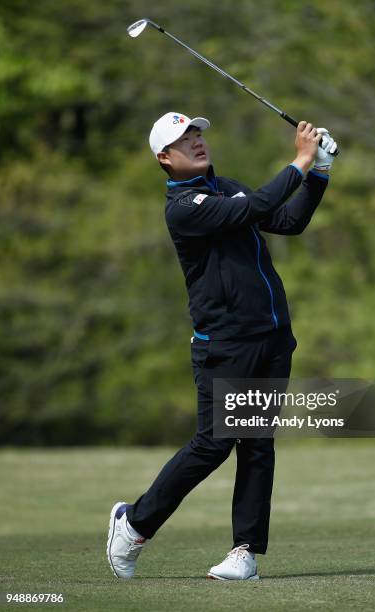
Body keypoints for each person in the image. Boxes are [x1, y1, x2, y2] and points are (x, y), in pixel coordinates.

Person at [106, 111, 337, 580]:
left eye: (196, 134)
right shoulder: (183, 207)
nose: (195, 142)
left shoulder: (226, 185)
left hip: (271, 339)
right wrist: (301, 160)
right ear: (163, 158)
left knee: (256, 445)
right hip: (224, 346)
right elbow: (251, 210)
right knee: (214, 443)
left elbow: (288, 220)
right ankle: (134, 525)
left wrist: (320, 173)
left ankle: (245, 553)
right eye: (182, 139)